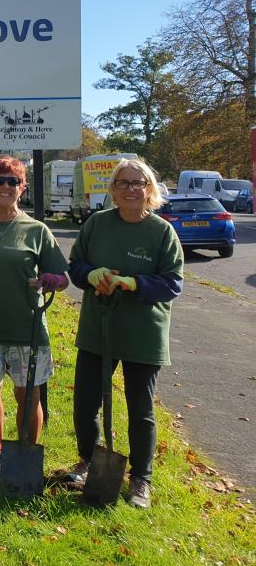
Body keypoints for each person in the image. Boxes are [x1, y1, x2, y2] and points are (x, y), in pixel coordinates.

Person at [65, 157, 182, 509]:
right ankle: (88, 460)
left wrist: (134, 283)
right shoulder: (97, 224)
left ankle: (140, 479)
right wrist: (92, 273)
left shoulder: (162, 232)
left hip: (142, 333)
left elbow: (173, 283)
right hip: (98, 328)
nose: (131, 189)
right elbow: (76, 266)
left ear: (150, 190)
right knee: (86, 403)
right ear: (113, 190)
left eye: (138, 183)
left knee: (140, 408)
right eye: (123, 183)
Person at [0, 156, 69, 480]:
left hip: (27, 327)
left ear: (22, 188)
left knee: (28, 393)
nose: (5, 187)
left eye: (13, 181)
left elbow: (61, 277)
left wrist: (51, 281)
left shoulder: (37, 230)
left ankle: (25, 454)